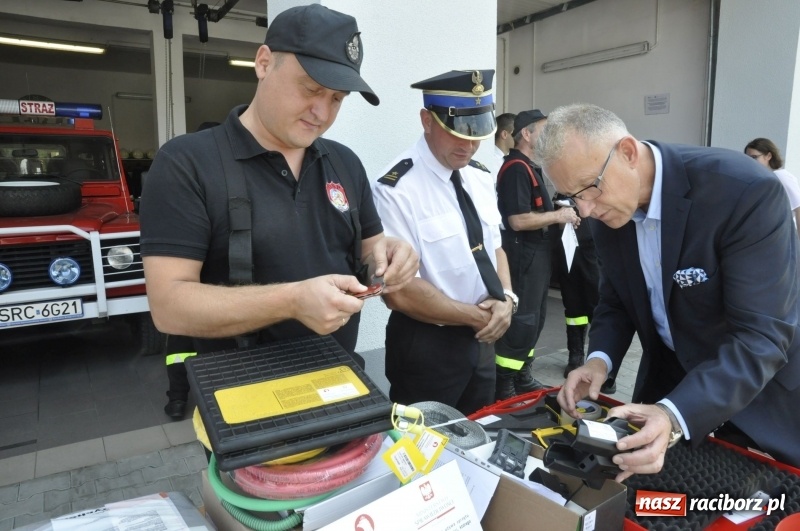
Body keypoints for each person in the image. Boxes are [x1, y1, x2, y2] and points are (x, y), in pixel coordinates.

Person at [139, 5, 418, 366]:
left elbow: (370, 251)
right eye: (311, 88)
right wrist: (292, 300)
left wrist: (390, 255)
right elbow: (169, 307)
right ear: (264, 63)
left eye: (336, 99)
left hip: (341, 379)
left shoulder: (345, 162)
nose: (322, 112)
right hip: (241, 394)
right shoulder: (186, 163)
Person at [537, 103, 800, 477]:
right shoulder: (606, 206)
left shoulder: (744, 192)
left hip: (762, 398)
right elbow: (617, 299)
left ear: (628, 152)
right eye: (571, 197)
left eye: (590, 189)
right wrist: (599, 360)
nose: (586, 209)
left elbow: (762, 336)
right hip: (671, 385)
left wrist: (674, 414)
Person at [372, 69, 514, 415]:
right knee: (422, 450)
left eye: (477, 133)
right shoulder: (396, 188)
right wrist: (476, 317)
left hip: (483, 336)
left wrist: (507, 298)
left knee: (477, 436)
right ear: (427, 120)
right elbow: (399, 291)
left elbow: (495, 247)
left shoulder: (479, 175)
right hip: (428, 345)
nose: (469, 146)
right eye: (458, 133)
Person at [494, 110, 580, 401]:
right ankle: (504, 383)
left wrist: (562, 213)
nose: (549, 136)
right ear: (527, 134)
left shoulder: (531, 166)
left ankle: (522, 375)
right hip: (523, 257)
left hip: (537, 257)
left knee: (536, 317)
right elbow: (517, 220)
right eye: (544, 130)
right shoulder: (516, 168)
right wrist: (558, 215)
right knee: (523, 319)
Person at [551, 192, 600, 380]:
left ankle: (602, 363)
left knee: (597, 306)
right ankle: (575, 356)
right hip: (567, 251)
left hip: (592, 249)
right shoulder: (562, 184)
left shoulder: (593, 178)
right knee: (573, 307)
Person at [744, 137, 800, 237]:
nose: (750, 161)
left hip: (780, 237)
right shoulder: (761, 177)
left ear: (768, 156)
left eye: (754, 157)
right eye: (747, 158)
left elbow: (798, 208)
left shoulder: (781, 176)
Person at [486, 112, 516, 178]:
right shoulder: (489, 160)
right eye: (516, 133)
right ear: (504, 134)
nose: (519, 137)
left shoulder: (513, 159)